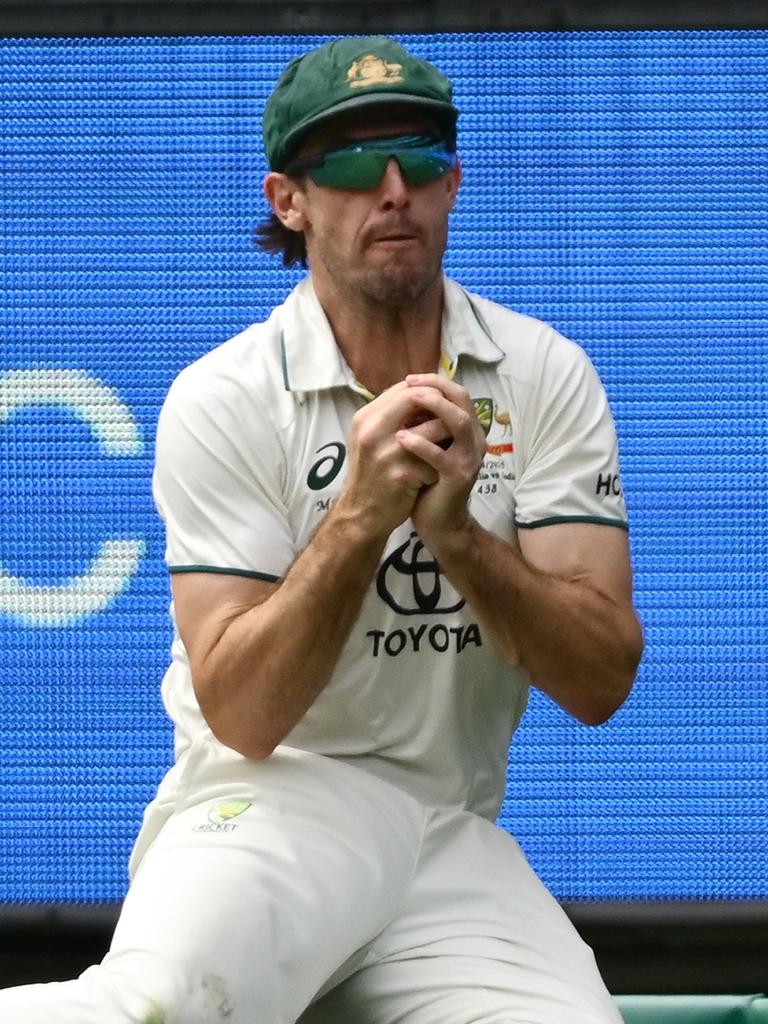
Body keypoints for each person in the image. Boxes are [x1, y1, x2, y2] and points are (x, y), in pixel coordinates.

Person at [0, 35, 643, 1024]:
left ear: (454, 184)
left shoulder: (543, 372)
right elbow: (247, 713)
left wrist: (462, 539)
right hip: (266, 805)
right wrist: (359, 518)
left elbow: (600, 680)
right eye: (347, 161)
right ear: (288, 200)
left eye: (419, 156)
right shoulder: (224, 395)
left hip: (450, 835)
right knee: (152, 1010)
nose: (392, 188)